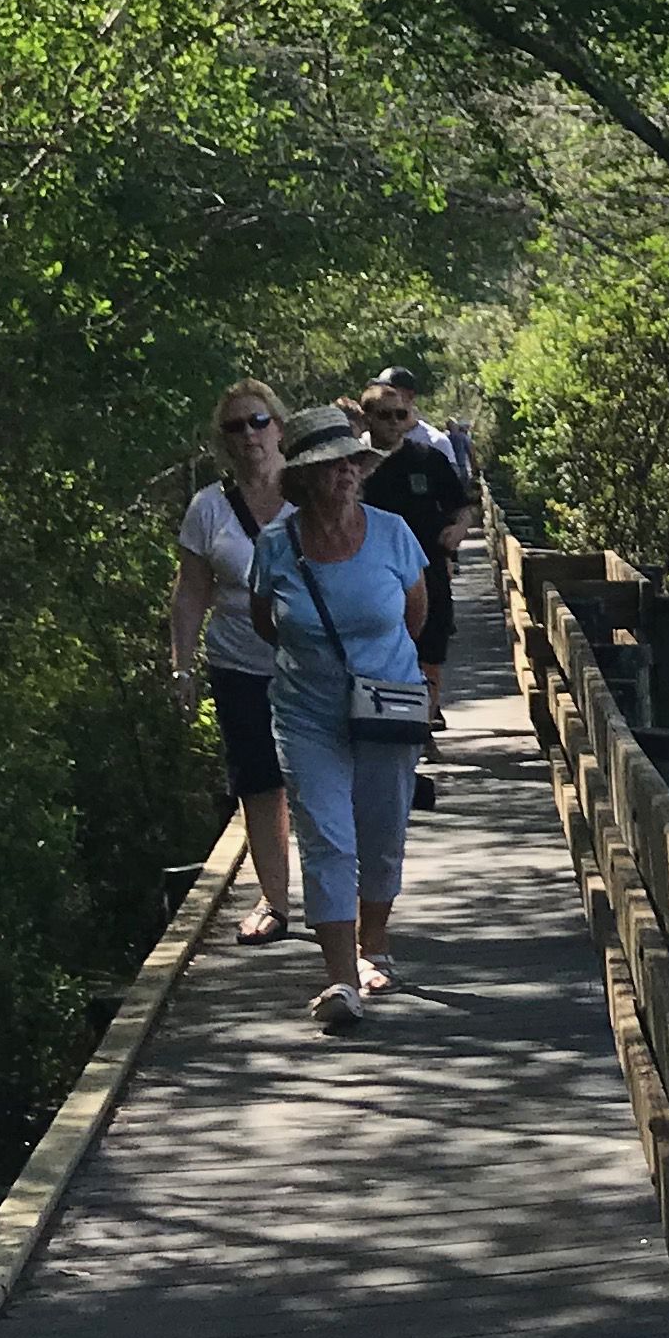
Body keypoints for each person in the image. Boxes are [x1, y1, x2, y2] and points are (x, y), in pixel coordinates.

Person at [248, 400, 431, 1029]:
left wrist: (378, 671)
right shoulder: (275, 545)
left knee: (381, 834)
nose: (346, 474)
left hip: (387, 704)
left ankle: (372, 945)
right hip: (306, 711)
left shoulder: (392, 533)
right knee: (327, 837)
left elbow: (415, 616)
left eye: (352, 462)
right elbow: (265, 621)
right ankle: (341, 981)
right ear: (301, 479)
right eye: (331, 467)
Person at [167, 380, 298, 943]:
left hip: (311, 662)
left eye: (258, 422)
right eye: (235, 427)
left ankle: (347, 903)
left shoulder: (311, 491)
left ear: (280, 427)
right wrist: (182, 665)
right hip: (239, 662)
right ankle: (275, 900)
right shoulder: (209, 508)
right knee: (259, 781)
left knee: (321, 782)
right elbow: (191, 590)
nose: (249, 435)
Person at [356, 371, 471, 810]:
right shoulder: (356, 466)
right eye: (383, 415)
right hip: (371, 579)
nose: (392, 422)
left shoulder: (428, 459)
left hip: (427, 570)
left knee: (430, 654)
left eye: (400, 414)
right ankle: (388, 734)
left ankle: (421, 730)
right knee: (383, 656)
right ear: (367, 418)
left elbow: (462, 503)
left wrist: (457, 532)